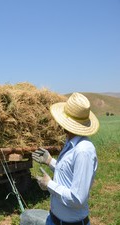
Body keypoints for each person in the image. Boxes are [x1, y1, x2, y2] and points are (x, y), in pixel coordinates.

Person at [32, 92, 100, 225]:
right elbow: (68, 173)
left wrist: (49, 184)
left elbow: (77, 199)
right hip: (54, 219)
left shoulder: (83, 151)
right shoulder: (71, 142)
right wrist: (50, 161)